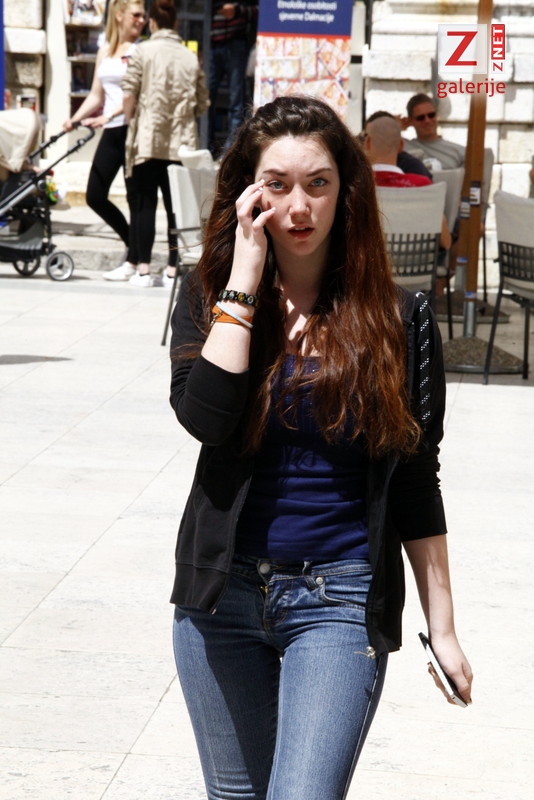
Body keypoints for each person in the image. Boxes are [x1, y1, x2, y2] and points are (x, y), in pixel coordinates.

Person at [169, 95, 473, 800]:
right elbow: (206, 419)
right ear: (248, 193)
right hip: (220, 596)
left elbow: (416, 478)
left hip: (338, 597)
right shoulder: (210, 296)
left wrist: (444, 626)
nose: (299, 207)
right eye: (276, 185)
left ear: (346, 191)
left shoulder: (399, 318)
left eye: (318, 184)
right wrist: (244, 281)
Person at [122, 0, 210, 287]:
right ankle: (173, 270)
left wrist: (130, 120)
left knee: (145, 204)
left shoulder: (142, 51)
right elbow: (202, 102)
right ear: (176, 24)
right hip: (181, 143)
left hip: (148, 138)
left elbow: (129, 93)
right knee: (177, 207)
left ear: (152, 23)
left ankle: (144, 269)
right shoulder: (189, 57)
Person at [63, 0, 146, 281]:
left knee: (135, 198)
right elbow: (96, 95)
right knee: (95, 195)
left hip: (132, 128)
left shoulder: (141, 50)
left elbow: (136, 94)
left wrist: (109, 115)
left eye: (143, 15)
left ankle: (134, 259)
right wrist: (75, 119)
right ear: (119, 15)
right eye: (136, 14)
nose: (141, 20)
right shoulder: (105, 51)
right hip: (111, 130)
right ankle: (131, 245)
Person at [364, 114, 452, 251]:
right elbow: (446, 243)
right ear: (401, 145)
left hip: (371, 263)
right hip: (418, 263)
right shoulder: (423, 186)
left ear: (367, 143)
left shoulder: (359, 185)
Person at [208, 2, 258, 157]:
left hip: (237, 41)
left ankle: (230, 152)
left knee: (237, 100)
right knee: (206, 100)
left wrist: (237, 11)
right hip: (210, 42)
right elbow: (196, 9)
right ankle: (206, 146)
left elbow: (260, 11)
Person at [401, 93, 465, 170]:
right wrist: (396, 125)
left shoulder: (459, 151)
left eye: (431, 115)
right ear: (410, 121)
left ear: (437, 115)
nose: (427, 120)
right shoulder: (401, 147)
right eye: (420, 118)